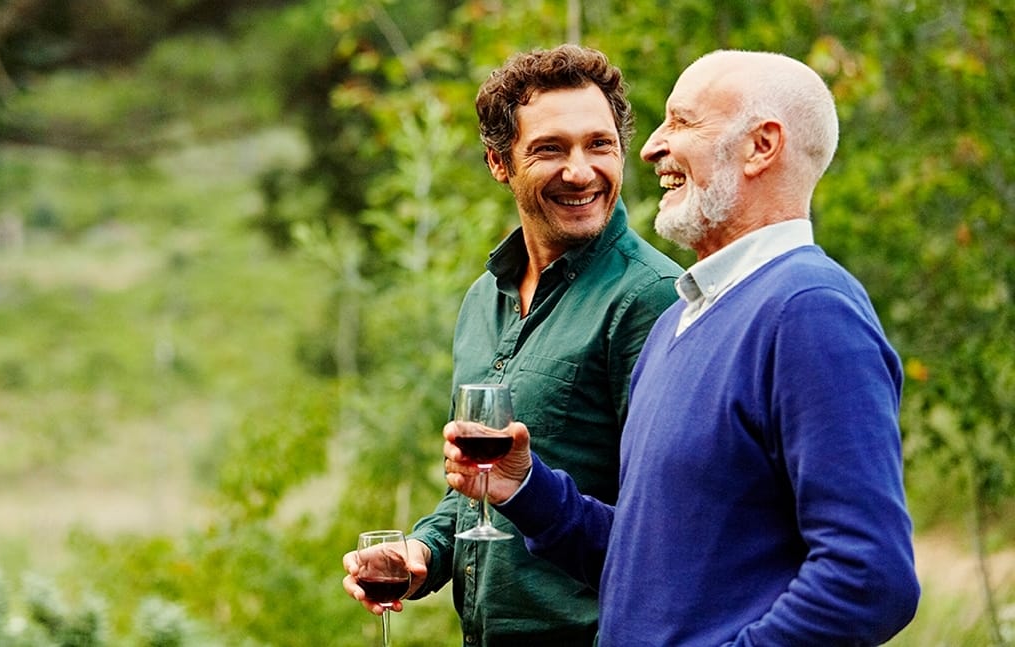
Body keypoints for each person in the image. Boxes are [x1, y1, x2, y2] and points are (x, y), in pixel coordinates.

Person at [441, 49, 921, 646]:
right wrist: (526, 490)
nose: (649, 148)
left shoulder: (809, 308)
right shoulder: (683, 319)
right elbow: (645, 568)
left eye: (683, 122)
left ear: (761, 147)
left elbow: (870, 578)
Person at [342, 44, 681, 645]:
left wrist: (528, 491)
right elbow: (477, 485)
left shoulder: (650, 299)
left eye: (599, 145)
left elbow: (665, 539)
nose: (581, 171)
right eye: (550, 149)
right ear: (499, 163)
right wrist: (424, 551)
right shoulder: (485, 298)